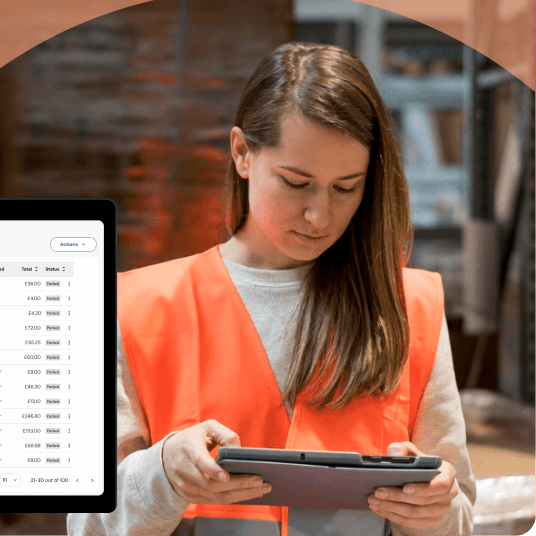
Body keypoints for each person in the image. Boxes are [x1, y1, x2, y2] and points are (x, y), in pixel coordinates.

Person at [67, 42, 475, 536]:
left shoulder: (411, 310)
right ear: (242, 153)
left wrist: (436, 514)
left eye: (346, 187)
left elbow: (459, 519)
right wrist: (163, 475)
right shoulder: (135, 311)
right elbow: (88, 524)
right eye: (295, 182)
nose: (319, 215)